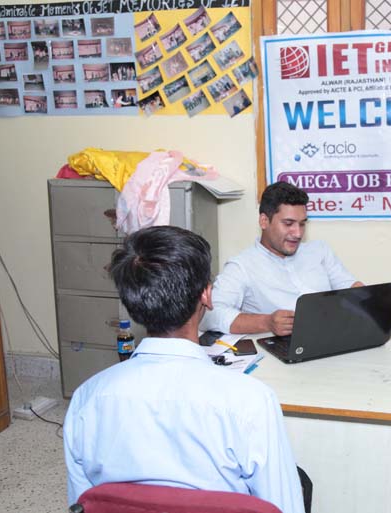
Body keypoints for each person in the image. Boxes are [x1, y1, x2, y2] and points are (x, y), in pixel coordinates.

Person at [63, 226, 306, 513]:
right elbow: (282, 505)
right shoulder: (251, 401)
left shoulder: (86, 398)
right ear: (207, 295)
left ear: (131, 301)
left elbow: (83, 503)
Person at [201, 182, 362, 336]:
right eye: (288, 223)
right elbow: (208, 315)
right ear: (264, 221)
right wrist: (266, 322)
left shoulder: (319, 250)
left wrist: (365, 296)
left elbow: (349, 287)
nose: (298, 233)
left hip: (332, 336)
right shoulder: (241, 266)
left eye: (302, 224)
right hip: (282, 348)